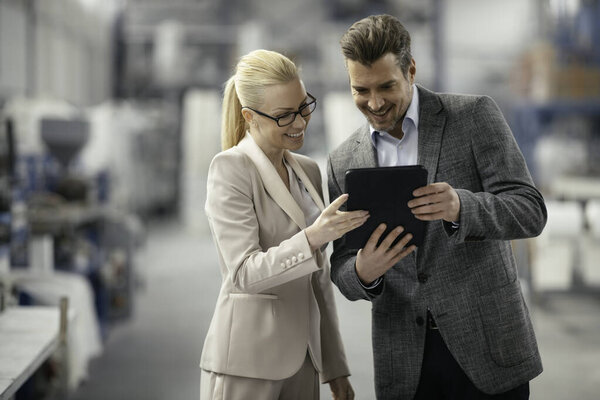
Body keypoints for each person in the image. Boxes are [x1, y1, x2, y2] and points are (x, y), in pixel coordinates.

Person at [327, 14, 547, 400]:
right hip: (407, 363)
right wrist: (362, 272)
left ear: (410, 70)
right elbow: (341, 264)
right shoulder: (343, 161)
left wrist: (462, 206)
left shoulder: (473, 116)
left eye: (386, 86)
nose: (374, 103)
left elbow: (530, 210)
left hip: (488, 347)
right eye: (360, 90)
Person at [200, 49, 366, 400]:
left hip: (304, 360)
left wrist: (335, 367)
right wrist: (314, 236)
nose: (300, 122)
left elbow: (317, 280)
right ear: (250, 116)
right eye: (285, 115)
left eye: (304, 106)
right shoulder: (230, 169)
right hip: (247, 362)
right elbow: (243, 273)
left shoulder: (307, 170)